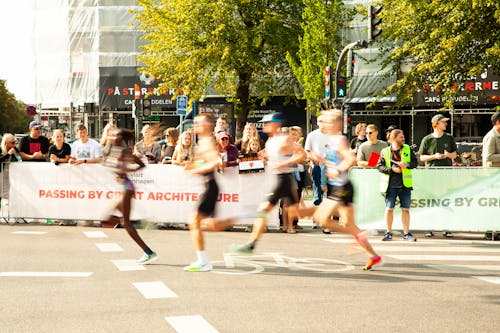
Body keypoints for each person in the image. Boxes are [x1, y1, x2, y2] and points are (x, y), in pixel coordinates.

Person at [310, 110, 382, 271]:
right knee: (350, 225)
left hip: (342, 187)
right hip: (341, 186)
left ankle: (361, 234)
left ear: (336, 123)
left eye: (329, 122)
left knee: (321, 218)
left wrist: (338, 170)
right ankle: (373, 256)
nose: (326, 125)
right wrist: (322, 160)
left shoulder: (339, 139)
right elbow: (335, 160)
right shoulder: (331, 140)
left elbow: (350, 159)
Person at [232, 111, 307, 251]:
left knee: (263, 210)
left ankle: (251, 244)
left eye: (267, 123)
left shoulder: (284, 140)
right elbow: (265, 154)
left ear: (276, 125)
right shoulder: (271, 141)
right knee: (299, 213)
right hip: (279, 179)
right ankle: (251, 244)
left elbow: (302, 155)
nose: (264, 125)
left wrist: (284, 164)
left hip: (284, 179)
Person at [102, 128, 157, 265]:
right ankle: (140, 223)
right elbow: (106, 159)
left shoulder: (124, 151)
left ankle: (149, 252)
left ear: (119, 138)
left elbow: (142, 164)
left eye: (114, 135)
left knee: (124, 223)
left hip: (127, 188)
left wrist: (129, 170)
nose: (112, 136)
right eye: (111, 134)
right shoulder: (113, 149)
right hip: (123, 188)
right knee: (108, 218)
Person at [183, 113, 224, 272]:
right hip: (209, 186)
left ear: (207, 125)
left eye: (198, 123)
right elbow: (205, 160)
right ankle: (202, 260)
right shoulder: (203, 141)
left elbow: (214, 162)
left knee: (194, 221)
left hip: (211, 186)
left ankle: (203, 261)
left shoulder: (207, 141)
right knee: (208, 224)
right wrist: (193, 165)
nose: (195, 126)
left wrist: (196, 170)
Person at [418, 114, 457, 237]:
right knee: (431, 201)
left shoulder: (449, 138)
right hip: (431, 174)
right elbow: (422, 157)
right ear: (436, 123)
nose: (446, 124)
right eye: (443, 122)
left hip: (446, 174)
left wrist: (447, 155)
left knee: (446, 200)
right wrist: (434, 156)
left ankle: (446, 227)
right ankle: (429, 227)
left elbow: (455, 155)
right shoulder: (427, 139)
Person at [377, 129, 418, 242]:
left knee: (406, 210)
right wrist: (391, 170)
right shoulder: (385, 151)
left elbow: (415, 163)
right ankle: (388, 232)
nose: (403, 138)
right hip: (390, 186)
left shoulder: (407, 149)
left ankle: (406, 233)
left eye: (403, 136)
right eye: (401, 136)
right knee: (389, 209)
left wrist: (407, 164)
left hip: (405, 185)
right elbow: (379, 166)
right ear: (394, 138)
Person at [304, 115, 330, 230]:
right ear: (317, 122)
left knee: (329, 193)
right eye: (320, 121)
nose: (322, 123)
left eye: (324, 121)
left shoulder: (332, 135)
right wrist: (313, 160)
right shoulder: (312, 135)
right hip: (317, 166)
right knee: (317, 192)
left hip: (330, 167)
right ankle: (316, 219)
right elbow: (307, 151)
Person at [1, 133, 22, 210]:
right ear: (6, 143)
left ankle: (15, 214)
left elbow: (20, 159)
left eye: (15, 143)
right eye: (12, 143)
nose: (14, 145)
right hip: (2, 174)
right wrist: (8, 154)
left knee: (14, 194)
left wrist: (15, 154)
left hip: (12, 175)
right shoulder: (1, 149)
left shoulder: (15, 149)